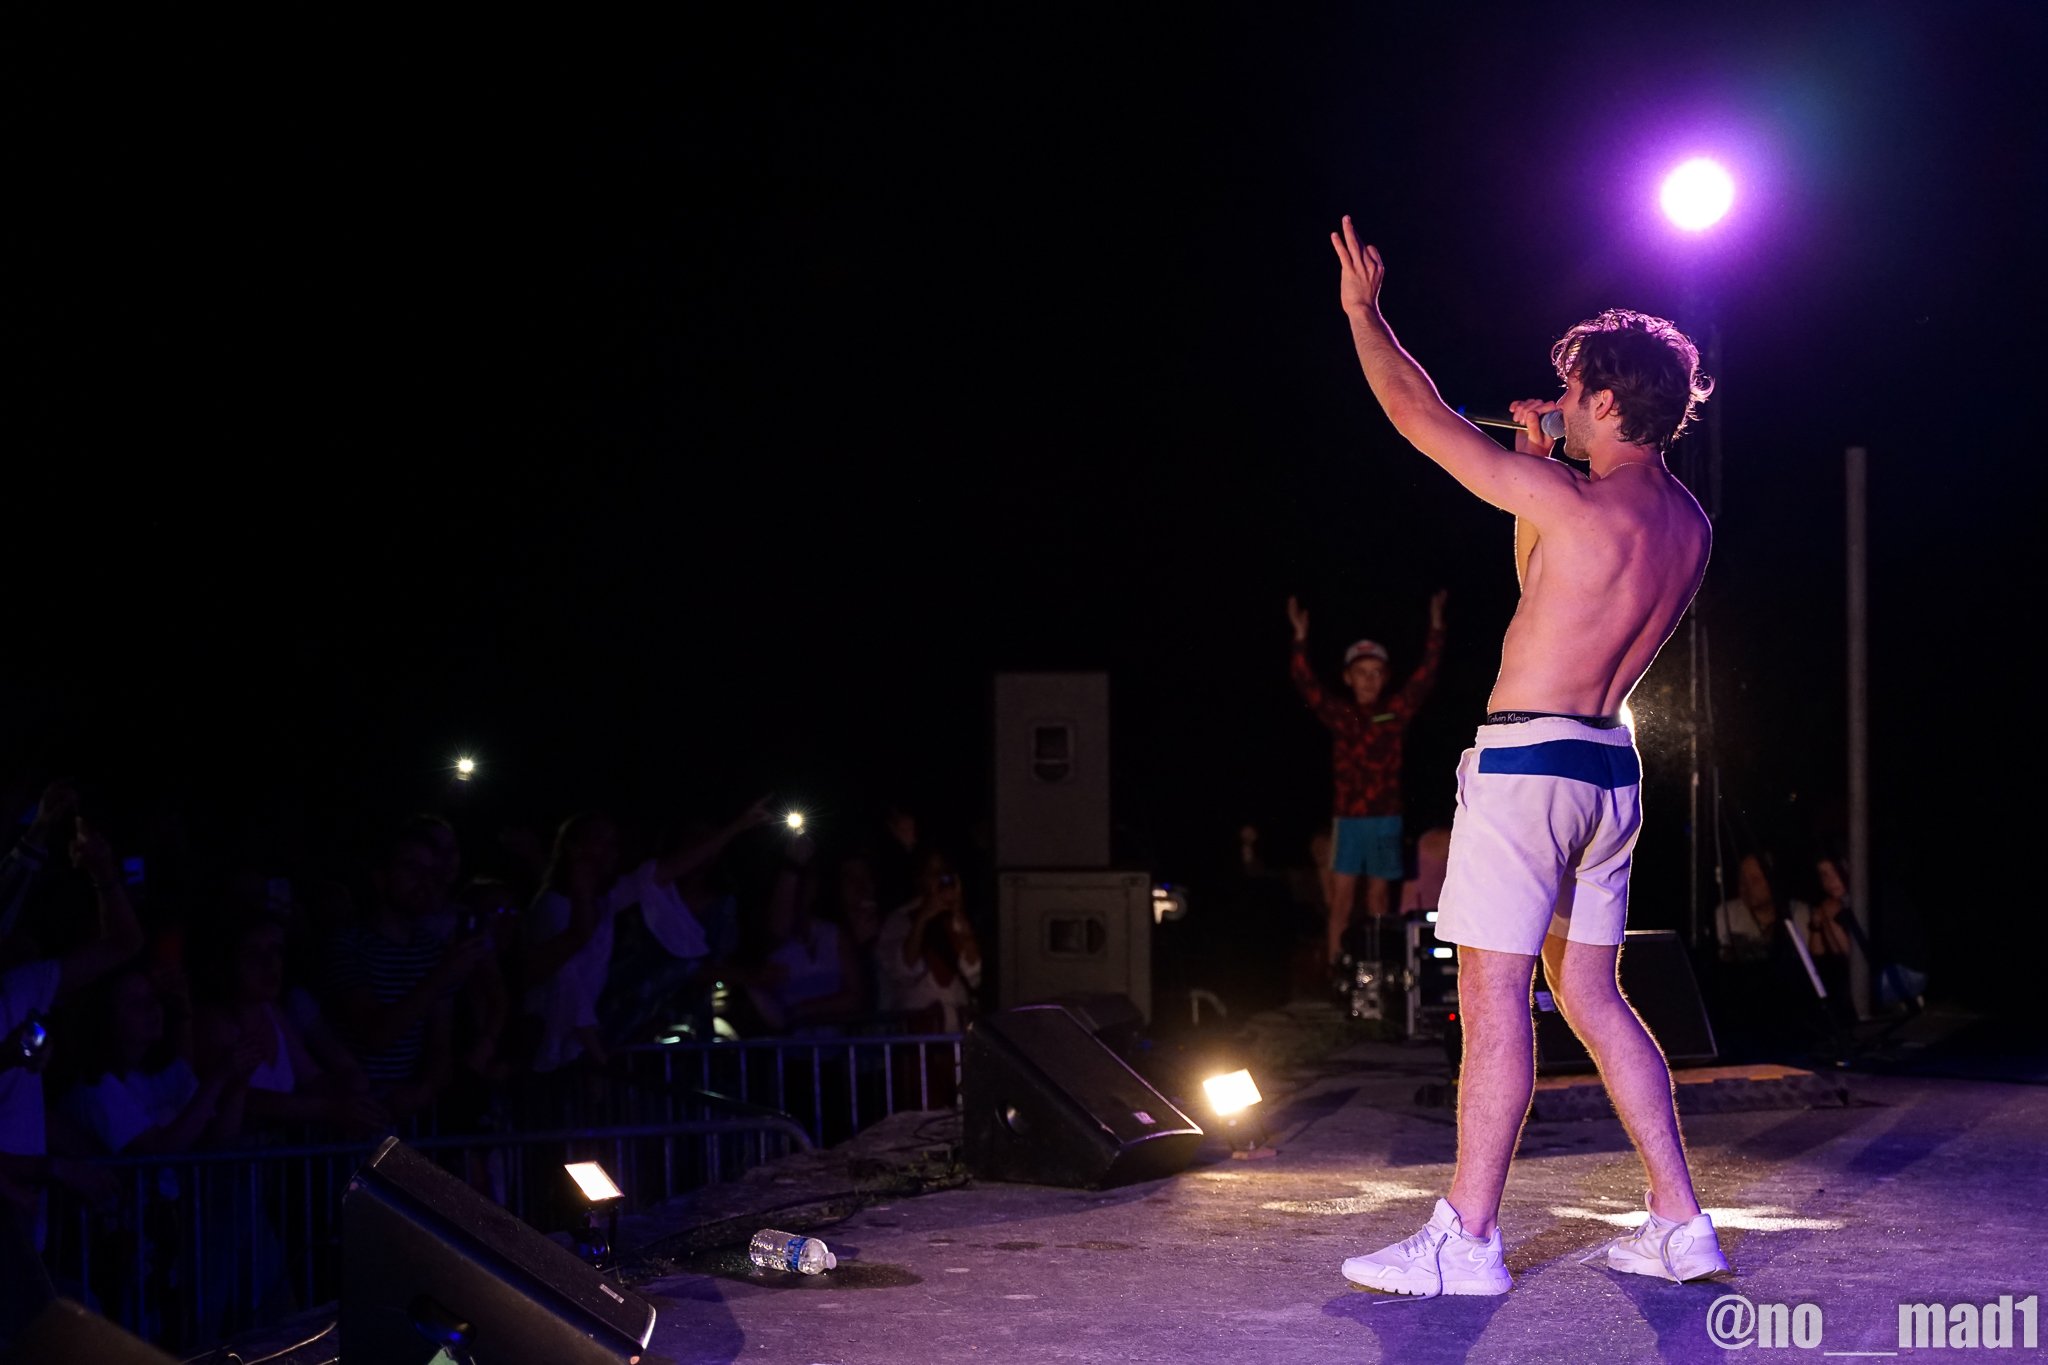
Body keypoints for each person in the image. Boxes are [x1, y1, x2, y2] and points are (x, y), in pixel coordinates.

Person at [1326, 218, 1728, 1296]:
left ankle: (1466, 1238)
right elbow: (1547, 588)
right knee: (1591, 992)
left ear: (1609, 400)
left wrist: (1365, 314)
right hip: (1606, 767)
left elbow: (1415, 414)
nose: (1557, 397)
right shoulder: (1684, 524)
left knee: (1493, 993)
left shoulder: (1572, 503)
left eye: (1572, 388)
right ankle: (1680, 1221)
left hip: (1527, 767)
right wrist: (1539, 458)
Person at [1287, 588, 1445, 975]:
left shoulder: (1394, 712)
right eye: (1361, 673)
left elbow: (1424, 678)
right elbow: (1307, 685)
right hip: (1349, 820)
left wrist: (1436, 627)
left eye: (1376, 673)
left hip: (1386, 820)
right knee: (1341, 899)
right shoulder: (1341, 715)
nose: (1369, 680)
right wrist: (1300, 638)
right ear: (1348, 678)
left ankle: (1377, 973)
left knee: (1378, 898)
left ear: (1384, 679)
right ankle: (1337, 974)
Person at [874, 848, 983, 1033]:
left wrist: (959, 914)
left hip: (957, 1031)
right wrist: (923, 919)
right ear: (920, 878)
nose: (939, 878)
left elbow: (974, 974)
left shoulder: (958, 918)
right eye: (933, 872)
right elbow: (904, 969)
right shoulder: (900, 919)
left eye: (943, 872)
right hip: (917, 1033)